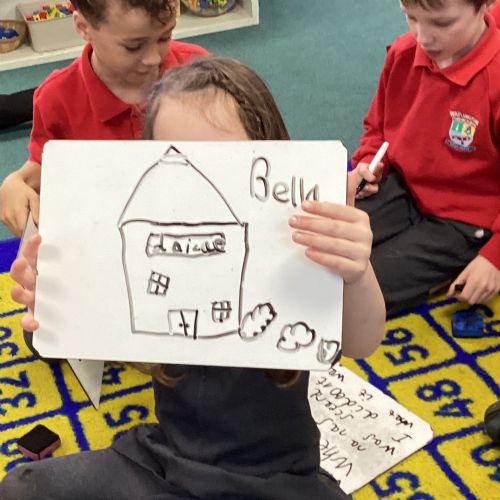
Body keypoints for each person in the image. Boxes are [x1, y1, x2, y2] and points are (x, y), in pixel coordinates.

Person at [0, 57, 386, 500]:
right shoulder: (150, 240)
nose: (197, 181)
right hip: (166, 463)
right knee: (23, 489)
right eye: (177, 160)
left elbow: (362, 339)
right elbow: (120, 339)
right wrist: (57, 297)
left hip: (275, 478)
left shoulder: (297, 242)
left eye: (220, 163)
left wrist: (356, 273)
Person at [0, 0, 208, 237]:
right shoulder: (57, 98)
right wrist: (15, 182)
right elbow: (48, 164)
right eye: (133, 46)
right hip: (108, 233)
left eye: (165, 37)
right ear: (83, 27)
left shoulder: (199, 71)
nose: (153, 59)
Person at [351, 0, 500, 317]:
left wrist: (494, 259)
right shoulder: (404, 53)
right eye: (411, 17)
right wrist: (369, 160)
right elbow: (377, 126)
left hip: (466, 222)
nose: (423, 36)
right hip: (405, 187)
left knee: (357, 292)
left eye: (442, 23)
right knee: (318, 248)